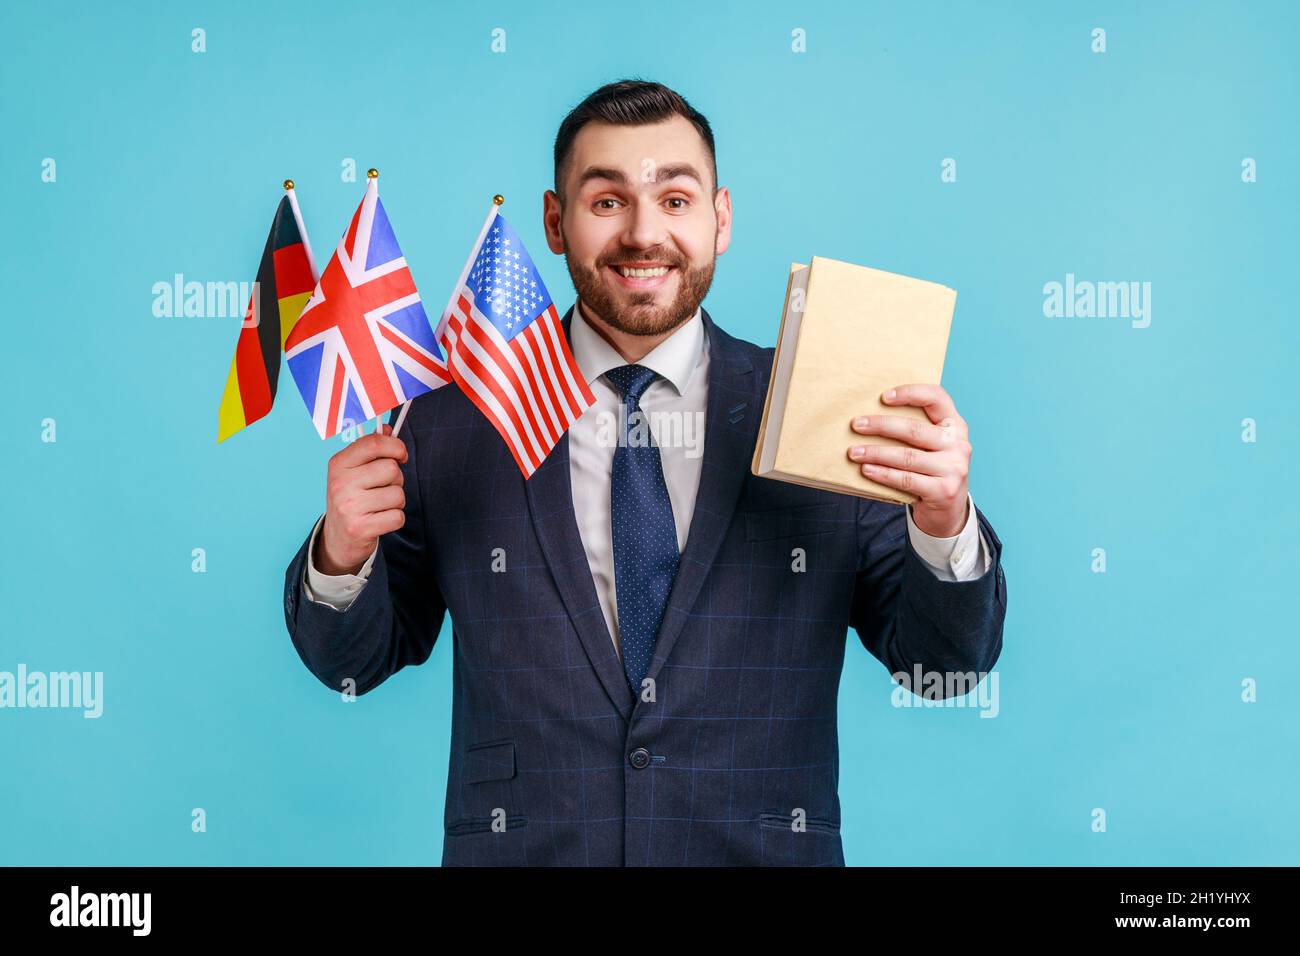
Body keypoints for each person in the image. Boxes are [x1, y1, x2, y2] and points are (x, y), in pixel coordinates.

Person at [283, 79, 1007, 866]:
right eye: (606, 202)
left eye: (674, 199)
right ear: (555, 223)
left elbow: (945, 668)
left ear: (720, 218)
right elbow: (351, 666)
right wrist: (341, 555)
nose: (642, 234)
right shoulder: (452, 420)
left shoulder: (823, 407)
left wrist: (944, 526)